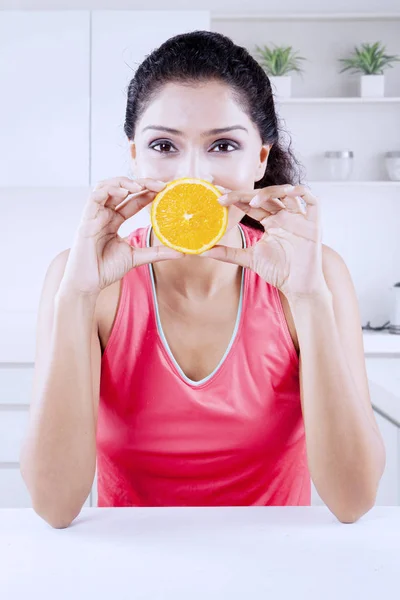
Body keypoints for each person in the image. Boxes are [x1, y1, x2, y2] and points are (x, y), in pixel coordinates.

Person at [20, 30, 385, 529]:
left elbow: (354, 499)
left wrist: (309, 299)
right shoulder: (83, 279)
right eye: (164, 145)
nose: (192, 175)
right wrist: (78, 298)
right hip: (129, 568)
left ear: (260, 158)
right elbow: (54, 506)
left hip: (276, 569)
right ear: (134, 156)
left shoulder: (317, 276)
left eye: (223, 145)